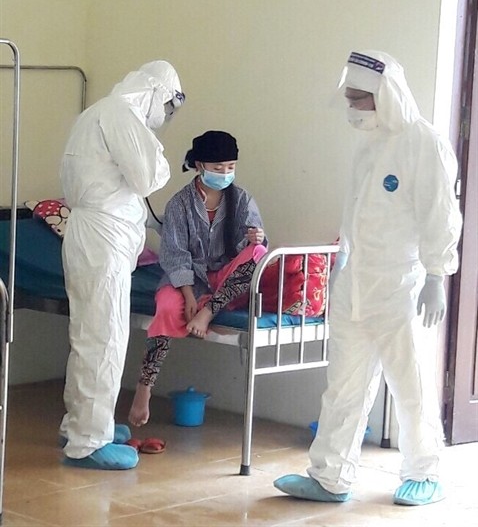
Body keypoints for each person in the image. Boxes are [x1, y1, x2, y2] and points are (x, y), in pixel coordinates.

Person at [274, 50, 462, 506]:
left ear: (386, 95)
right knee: (343, 387)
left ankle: (425, 472)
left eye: (360, 98)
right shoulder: (367, 143)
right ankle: (330, 476)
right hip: (355, 284)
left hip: (401, 287)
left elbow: (440, 213)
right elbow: (356, 213)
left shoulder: (424, 143)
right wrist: (342, 264)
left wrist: (437, 273)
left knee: (410, 385)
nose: (353, 108)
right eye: (351, 98)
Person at [60, 60, 185, 470]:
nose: (163, 115)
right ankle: (88, 442)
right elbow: (149, 177)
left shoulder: (97, 112)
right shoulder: (121, 115)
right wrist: (158, 152)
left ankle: (81, 422)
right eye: (166, 105)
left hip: (91, 233)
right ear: (153, 92)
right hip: (102, 239)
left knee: (89, 334)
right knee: (104, 338)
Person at [128, 130, 267, 427]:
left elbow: (251, 250)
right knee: (166, 307)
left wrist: (257, 237)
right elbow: (175, 254)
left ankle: (208, 312)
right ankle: (144, 388)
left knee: (258, 253)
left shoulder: (242, 200)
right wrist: (189, 296)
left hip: (226, 285)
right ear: (199, 166)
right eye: (218, 168)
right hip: (189, 280)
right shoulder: (180, 205)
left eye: (230, 167)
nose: (225, 173)